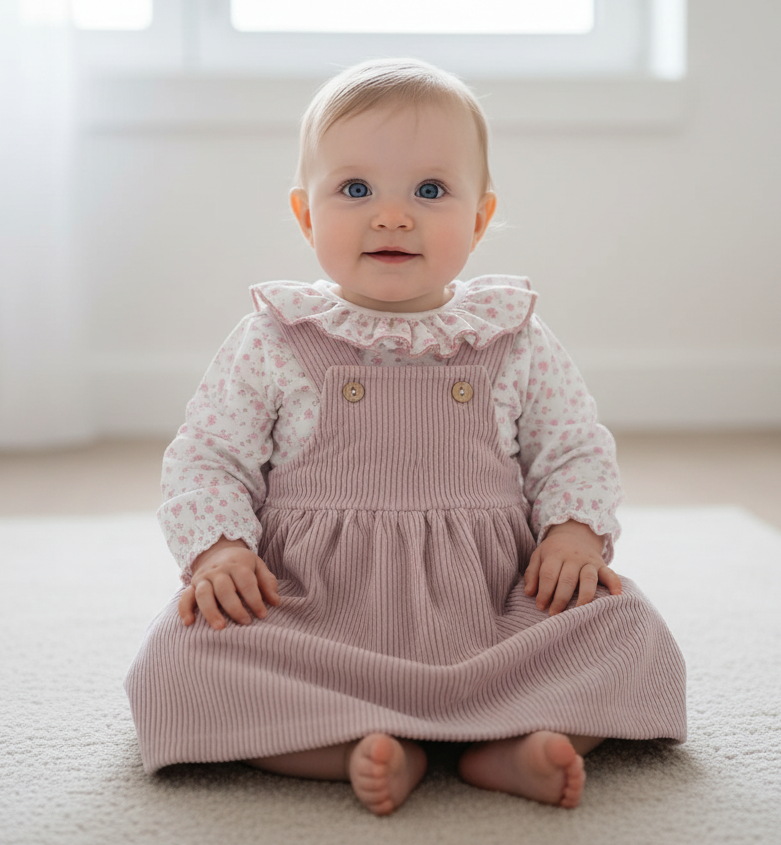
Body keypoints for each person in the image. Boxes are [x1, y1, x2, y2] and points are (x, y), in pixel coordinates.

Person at [125, 58, 686, 816]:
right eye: (355, 190)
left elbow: (573, 447)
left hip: (487, 610)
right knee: (178, 656)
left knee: (628, 631)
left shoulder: (511, 335)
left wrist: (575, 534)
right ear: (305, 215)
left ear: (480, 218)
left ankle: (504, 750)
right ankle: (349, 747)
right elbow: (207, 457)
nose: (392, 216)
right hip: (317, 611)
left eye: (429, 190)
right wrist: (218, 549)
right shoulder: (277, 337)